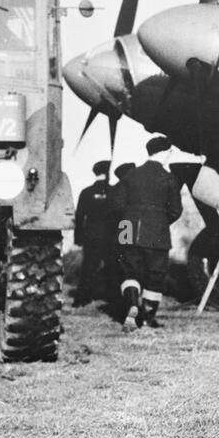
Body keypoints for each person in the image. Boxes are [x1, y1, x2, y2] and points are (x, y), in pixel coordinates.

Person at [114, 137, 183, 330]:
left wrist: (129, 221)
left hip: (127, 228)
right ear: (165, 152)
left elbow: (117, 205)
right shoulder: (169, 178)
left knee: (128, 271)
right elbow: (176, 211)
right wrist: (159, 221)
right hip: (156, 230)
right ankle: (145, 319)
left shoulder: (131, 175)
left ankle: (132, 305)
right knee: (155, 275)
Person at [72, 161, 114, 306]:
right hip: (111, 237)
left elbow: (79, 216)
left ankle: (81, 299)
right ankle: (111, 297)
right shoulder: (114, 191)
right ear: (108, 172)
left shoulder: (86, 192)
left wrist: (78, 238)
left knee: (88, 268)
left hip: (91, 236)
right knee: (112, 268)